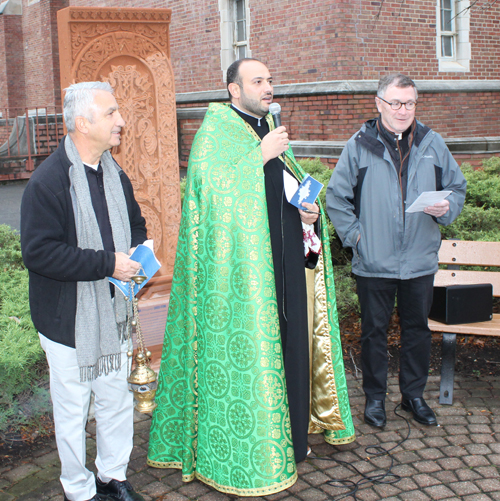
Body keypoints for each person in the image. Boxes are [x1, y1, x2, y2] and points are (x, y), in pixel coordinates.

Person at [147, 58, 355, 496]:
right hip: (242, 281)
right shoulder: (215, 134)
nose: (267, 88)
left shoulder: (270, 129)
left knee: (294, 346)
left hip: (286, 265)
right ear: (232, 90)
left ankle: (293, 441)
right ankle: (256, 452)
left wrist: (308, 215)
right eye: (257, 81)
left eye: (270, 80)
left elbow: (285, 191)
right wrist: (258, 157)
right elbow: (212, 196)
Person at [21, 81, 148, 501]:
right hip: (66, 320)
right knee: (73, 410)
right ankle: (78, 489)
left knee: (116, 400)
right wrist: (107, 263)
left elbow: (136, 225)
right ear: (81, 123)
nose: (121, 121)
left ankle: (113, 475)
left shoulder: (115, 174)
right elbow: (40, 254)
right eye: (111, 113)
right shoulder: (48, 181)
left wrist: (137, 257)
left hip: (112, 314)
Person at [326, 73, 467, 428]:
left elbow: (456, 188)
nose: (403, 110)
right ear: (379, 103)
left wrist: (446, 206)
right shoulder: (358, 145)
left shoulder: (432, 143)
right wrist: (357, 238)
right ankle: (374, 400)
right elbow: (336, 198)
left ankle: (413, 397)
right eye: (396, 103)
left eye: (410, 103)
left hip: (419, 260)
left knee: (417, 330)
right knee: (374, 332)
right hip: (374, 262)